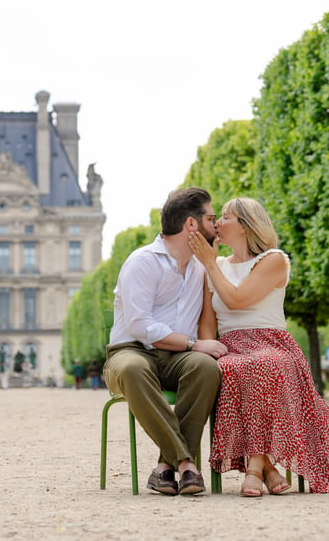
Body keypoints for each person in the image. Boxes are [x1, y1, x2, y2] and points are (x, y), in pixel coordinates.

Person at [189, 197, 329, 497]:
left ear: (246, 225)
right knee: (230, 367)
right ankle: (268, 468)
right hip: (231, 346)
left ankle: (254, 468)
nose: (218, 223)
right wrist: (210, 344)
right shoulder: (217, 266)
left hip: (271, 342)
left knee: (263, 364)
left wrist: (209, 263)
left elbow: (237, 299)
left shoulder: (274, 259)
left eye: (225, 217)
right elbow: (208, 321)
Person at [103, 187, 228, 496]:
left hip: (175, 357)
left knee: (205, 368)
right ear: (190, 225)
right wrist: (194, 344)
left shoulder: (203, 266)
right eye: (211, 218)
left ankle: (163, 470)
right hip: (130, 351)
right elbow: (139, 325)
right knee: (133, 368)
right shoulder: (142, 262)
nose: (216, 225)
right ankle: (185, 463)